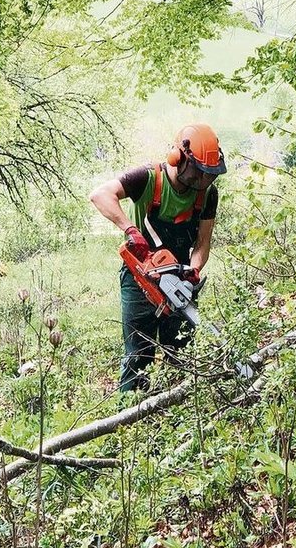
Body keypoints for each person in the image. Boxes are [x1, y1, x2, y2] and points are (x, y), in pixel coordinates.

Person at [89, 123, 226, 392]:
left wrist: (194, 270)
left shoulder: (208, 193)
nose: (205, 180)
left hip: (179, 276)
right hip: (140, 277)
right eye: (200, 172)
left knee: (182, 350)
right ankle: (131, 417)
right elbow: (100, 195)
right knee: (138, 353)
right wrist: (130, 229)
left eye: (210, 174)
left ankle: (181, 410)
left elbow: (203, 243)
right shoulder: (147, 178)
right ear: (179, 158)